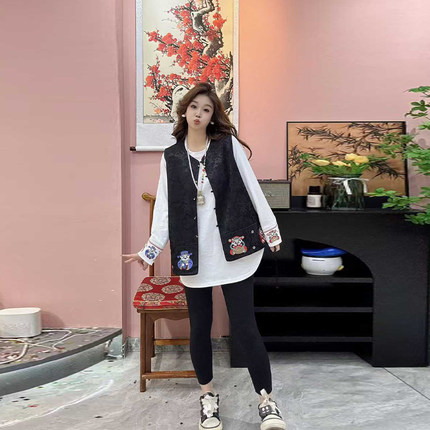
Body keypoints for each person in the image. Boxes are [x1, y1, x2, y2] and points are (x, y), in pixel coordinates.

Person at [122, 82, 287, 430]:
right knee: (200, 328)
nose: (199, 113)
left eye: (207, 109)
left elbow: (252, 186)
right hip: (193, 256)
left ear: (213, 116)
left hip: (234, 251)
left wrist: (270, 230)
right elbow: (165, 207)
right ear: (184, 111)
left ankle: (267, 401)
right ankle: (208, 397)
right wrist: (150, 250)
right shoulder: (171, 157)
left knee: (245, 327)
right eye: (194, 107)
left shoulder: (226, 146)